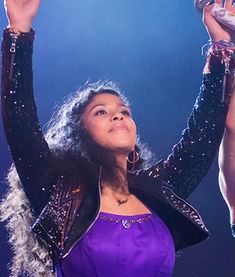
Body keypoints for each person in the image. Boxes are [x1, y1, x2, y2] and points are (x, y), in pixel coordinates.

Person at [1, 0, 235, 276]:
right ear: (79, 136)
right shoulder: (58, 194)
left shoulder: (160, 190)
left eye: (124, 111)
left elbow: (204, 131)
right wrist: (19, 29)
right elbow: (21, 122)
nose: (118, 116)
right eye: (101, 112)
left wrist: (221, 44)